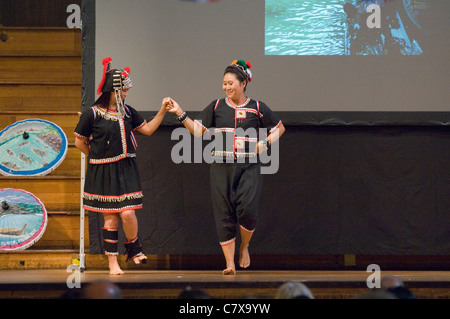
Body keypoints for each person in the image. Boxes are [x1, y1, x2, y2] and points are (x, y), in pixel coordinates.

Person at [164, 59, 285, 275]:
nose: (227, 87)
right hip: (221, 166)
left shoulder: (257, 107)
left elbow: (280, 128)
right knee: (223, 212)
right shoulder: (217, 106)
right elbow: (198, 131)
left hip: (249, 166)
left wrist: (265, 143)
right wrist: (180, 112)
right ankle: (229, 263)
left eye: (231, 83)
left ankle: (245, 246)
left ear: (243, 83)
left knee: (248, 209)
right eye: (224, 83)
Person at [74, 57, 168, 275]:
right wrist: (96, 158)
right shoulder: (93, 113)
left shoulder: (128, 112)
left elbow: (148, 130)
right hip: (103, 171)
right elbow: (79, 141)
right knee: (111, 217)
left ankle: (134, 248)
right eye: (123, 90)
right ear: (112, 90)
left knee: (127, 213)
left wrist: (162, 110)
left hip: (125, 169)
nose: (126, 94)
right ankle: (113, 263)